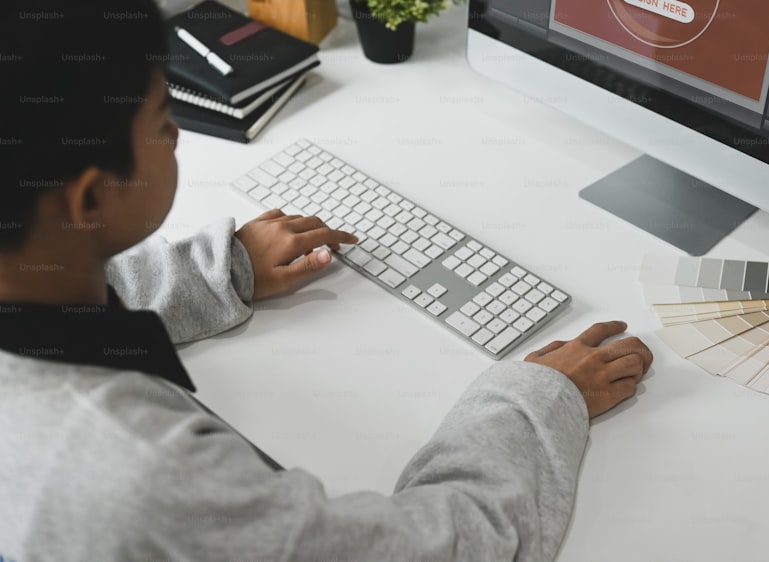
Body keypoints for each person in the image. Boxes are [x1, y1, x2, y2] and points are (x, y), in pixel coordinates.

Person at [0, 1, 654, 560]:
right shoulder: (145, 475)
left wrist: (217, 269)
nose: (175, 132)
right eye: (161, 121)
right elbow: (445, 546)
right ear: (88, 201)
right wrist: (535, 402)